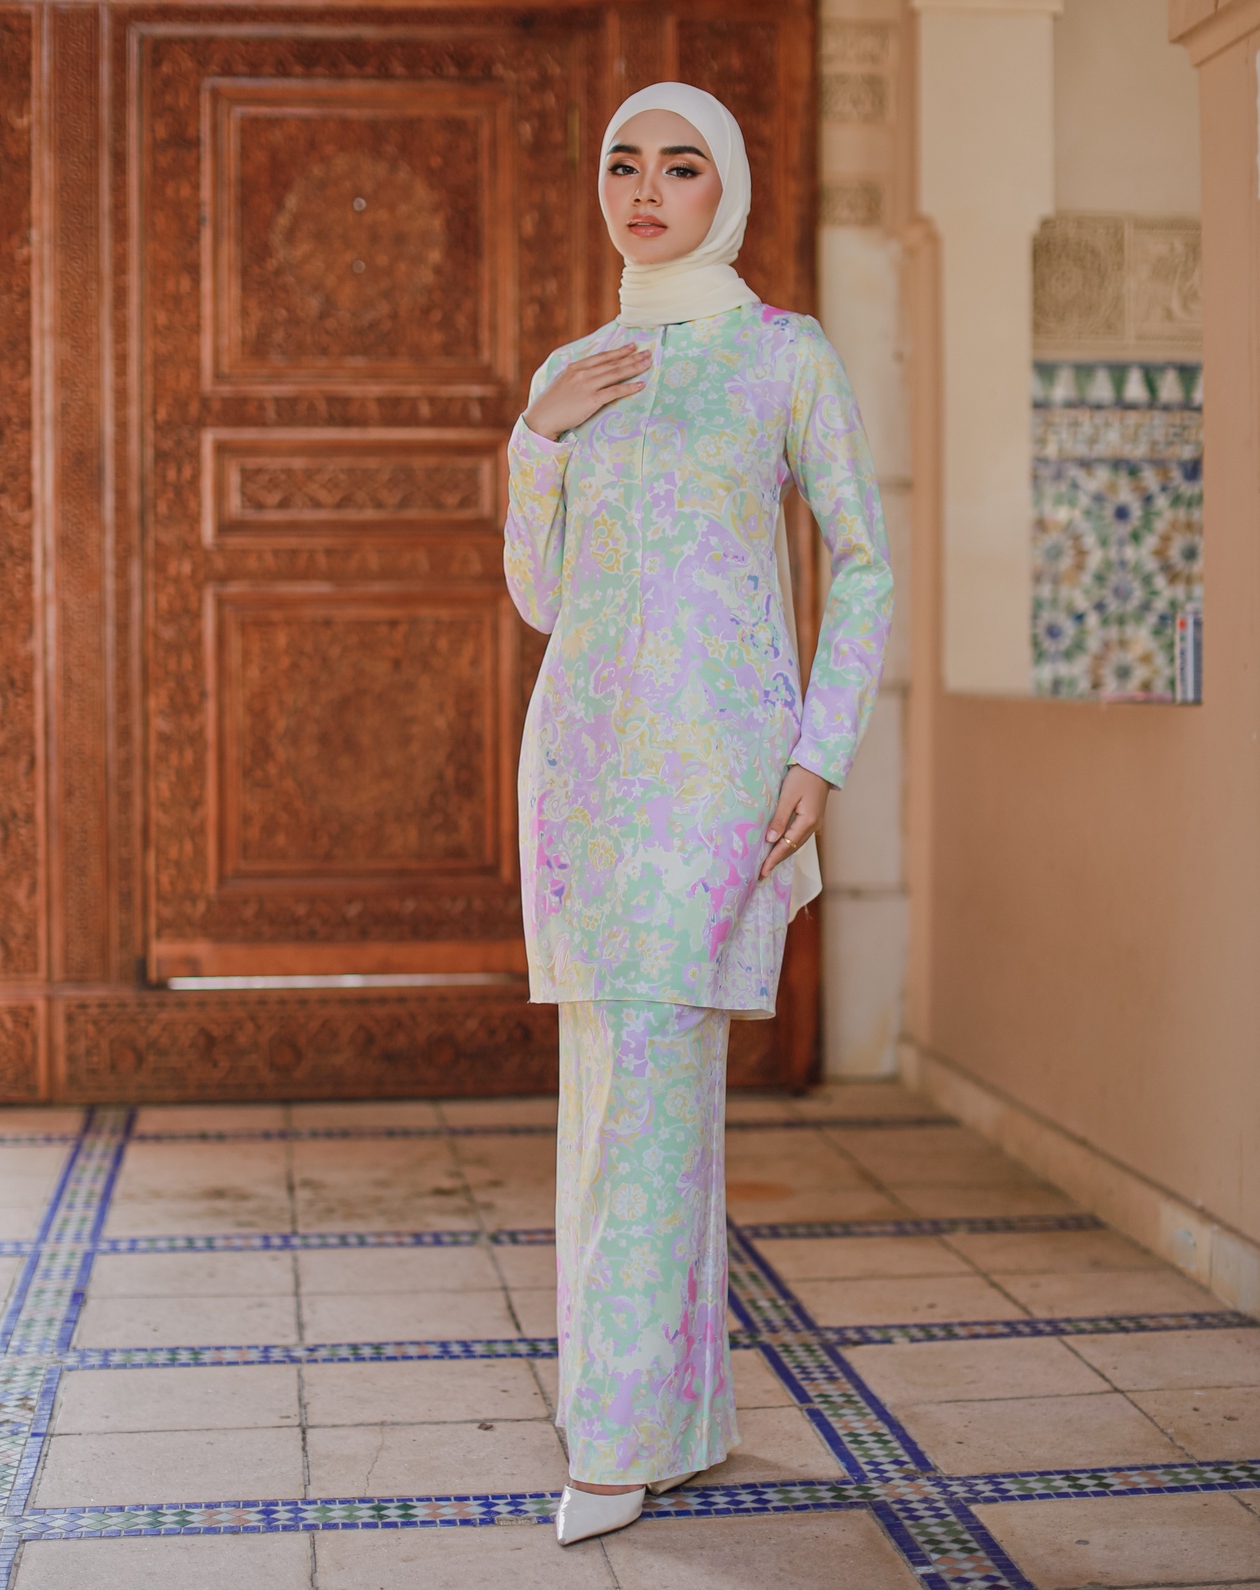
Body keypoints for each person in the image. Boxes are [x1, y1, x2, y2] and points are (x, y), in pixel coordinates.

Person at [502, 82, 892, 1546]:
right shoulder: (576, 366)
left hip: (717, 775)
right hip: (584, 774)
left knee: (653, 1078)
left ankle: (612, 1443)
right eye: (624, 165)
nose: (646, 191)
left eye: (680, 166)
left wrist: (820, 750)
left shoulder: (785, 354)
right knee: (613, 1089)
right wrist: (536, 438)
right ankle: (675, 1414)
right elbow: (541, 597)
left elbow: (862, 560)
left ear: (724, 187)